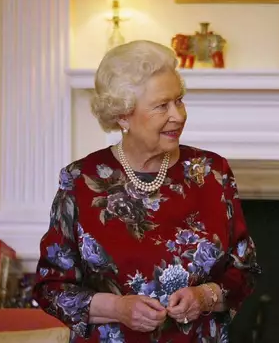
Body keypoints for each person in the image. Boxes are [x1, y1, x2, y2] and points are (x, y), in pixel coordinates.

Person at [33, 40, 261, 343]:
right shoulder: (80, 180)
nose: (178, 115)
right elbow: (51, 288)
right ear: (123, 115)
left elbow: (245, 270)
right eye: (161, 105)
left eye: (179, 101)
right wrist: (117, 308)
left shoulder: (212, 172)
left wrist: (204, 296)